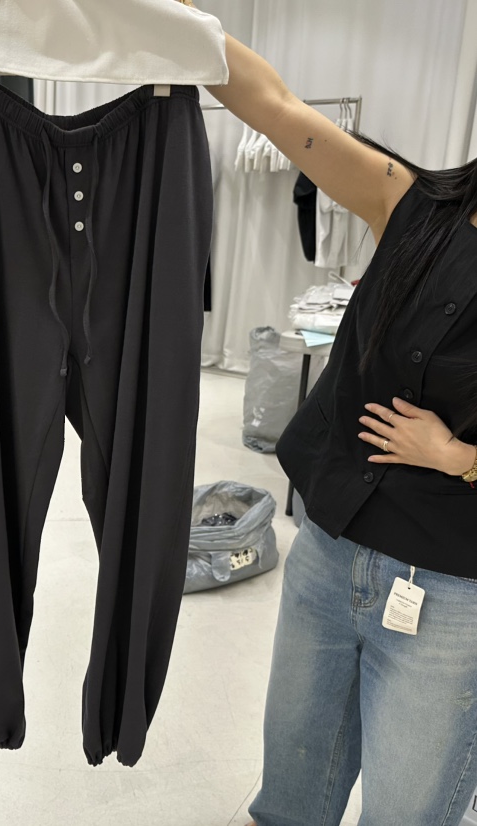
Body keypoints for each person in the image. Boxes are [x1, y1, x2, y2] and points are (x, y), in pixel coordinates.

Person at [202, 32, 477, 826]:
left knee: (407, 810)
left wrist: (459, 456)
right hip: (328, 553)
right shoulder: (415, 207)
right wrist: (182, 22)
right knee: (292, 791)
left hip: (452, 588)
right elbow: (274, 105)